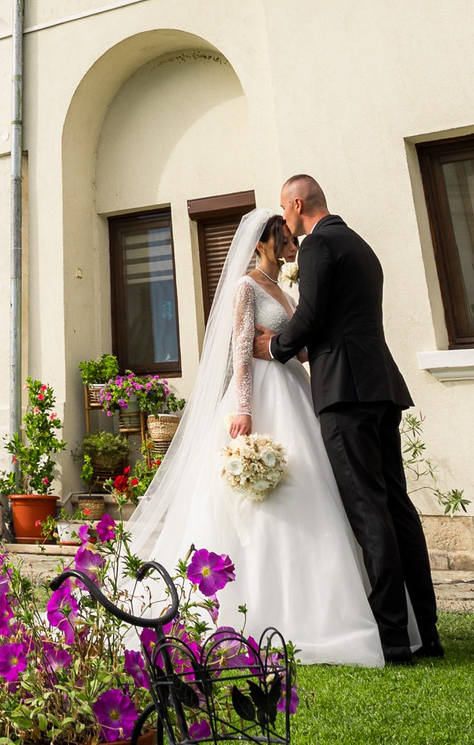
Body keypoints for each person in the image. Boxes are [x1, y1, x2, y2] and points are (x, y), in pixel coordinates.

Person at [127, 210, 400, 666]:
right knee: (258, 500)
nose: (291, 248)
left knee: (310, 486)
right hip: (260, 398)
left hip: (295, 392)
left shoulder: (285, 292)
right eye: (283, 241)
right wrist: (244, 408)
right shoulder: (246, 287)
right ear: (260, 245)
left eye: (292, 240)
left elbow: (301, 347)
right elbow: (240, 349)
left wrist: (289, 343)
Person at [254, 174, 442, 662]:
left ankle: (392, 636)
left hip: (345, 391)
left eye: (284, 208)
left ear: (297, 204)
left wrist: (275, 347)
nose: (285, 220)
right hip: (380, 386)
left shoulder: (320, 245)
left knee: (367, 507)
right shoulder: (359, 244)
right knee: (397, 506)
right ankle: (426, 630)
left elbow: (312, 315)